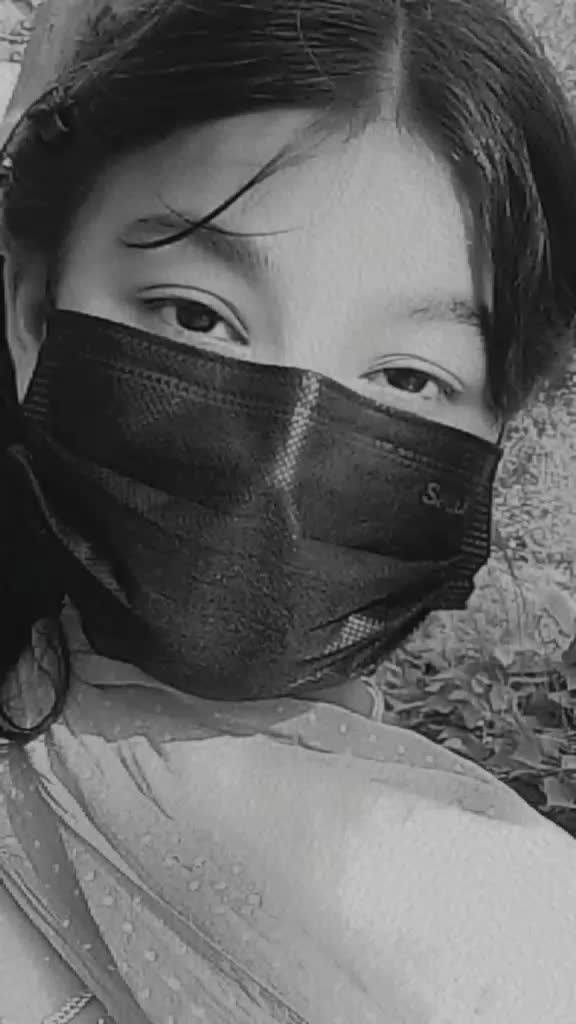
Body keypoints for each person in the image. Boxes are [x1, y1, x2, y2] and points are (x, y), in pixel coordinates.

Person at [1, 0, 576, 1021]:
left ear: (498, 433)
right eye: (198, 317)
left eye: (408, 378)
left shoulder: (509, 938)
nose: (278, 468)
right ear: (34, 306)